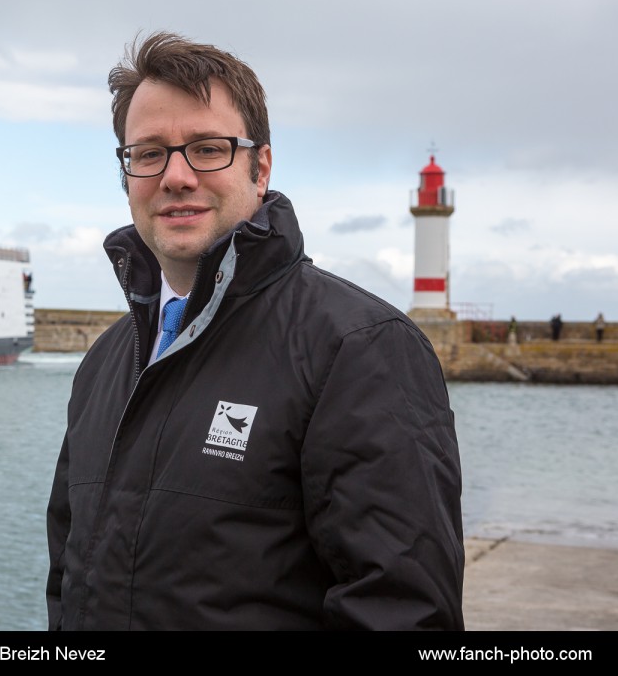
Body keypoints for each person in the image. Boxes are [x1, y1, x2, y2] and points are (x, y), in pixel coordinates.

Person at [46, 32, 464, 630]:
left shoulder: (359, 348)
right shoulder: (107, 361)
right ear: (127, 171)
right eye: (149, 153)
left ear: (260, 167)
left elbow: (402, 611)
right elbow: (68, 579)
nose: (176, 176)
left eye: (207, 148)